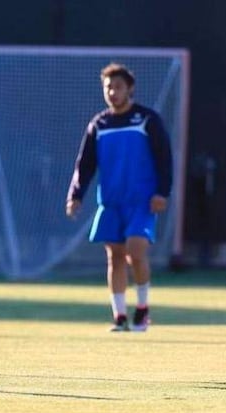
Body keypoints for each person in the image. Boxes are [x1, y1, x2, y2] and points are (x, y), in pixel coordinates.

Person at [66, 63, 172, 332]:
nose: (112, 92)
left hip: (142, 200)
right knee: (114, 256)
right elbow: (85, 163)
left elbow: (164, 158)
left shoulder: (147, 120)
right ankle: (120, 316)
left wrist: (162, 192)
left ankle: (143, 310)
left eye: (118, 87)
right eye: (108, 87)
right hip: (111, 202)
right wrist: (75, 194)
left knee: (136, 252)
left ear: (130, 89)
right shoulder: (99, 124)